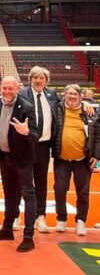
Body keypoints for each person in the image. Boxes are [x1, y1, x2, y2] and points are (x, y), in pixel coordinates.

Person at [0, 76, 38, 252]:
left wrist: (26, 132)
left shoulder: (27, 107)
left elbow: (36, 136)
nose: (7, 91)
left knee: (28, 196)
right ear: (0, 88)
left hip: (23, 159)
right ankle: (7, 229)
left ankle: (28, 237)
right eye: (4, 88)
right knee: (9, 195)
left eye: (10, 88)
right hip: (5, 158)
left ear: (17, 88)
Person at [52, 84, 100, 236]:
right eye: (70, 93)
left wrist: (96, 156)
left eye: (75, 94)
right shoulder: (57, 109)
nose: (72, 96)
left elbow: (97, 136)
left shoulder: (90, 112)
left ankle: (81, 221)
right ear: (64, 95)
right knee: (60, 190)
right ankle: (61, 219)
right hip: (62, 159)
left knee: (83, 192)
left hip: (83, 160)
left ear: (80, 96)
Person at [17, 66, 58, 233]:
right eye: (35, 77)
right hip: (25, 144)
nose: (38, 80)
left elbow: (65, 105)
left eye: (42, 78)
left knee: (41, 181)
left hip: (43, 145)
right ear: (30, 79)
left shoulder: (52, 95)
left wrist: (84, 102)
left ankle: (40, 216)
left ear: (47, 81)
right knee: (22, 181)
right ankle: (15, 216)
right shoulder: (22, 93)